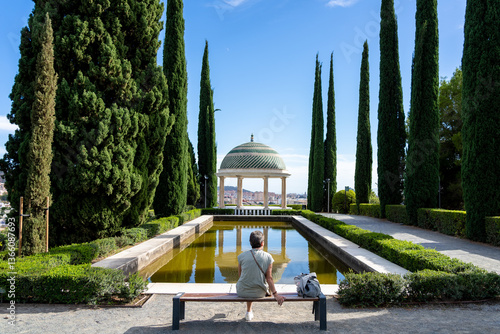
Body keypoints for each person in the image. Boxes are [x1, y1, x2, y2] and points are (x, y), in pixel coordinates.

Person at [236, 230, 286, 321]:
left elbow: (240, 276)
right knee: (256, 284)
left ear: (250, 242)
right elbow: (269, 278)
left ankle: (248, 311)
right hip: (259, 292)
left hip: (242, 291)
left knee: (249, 281)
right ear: (262, 243)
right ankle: (249, 312)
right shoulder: (268, 257)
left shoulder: (241, 256)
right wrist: (276, 295)